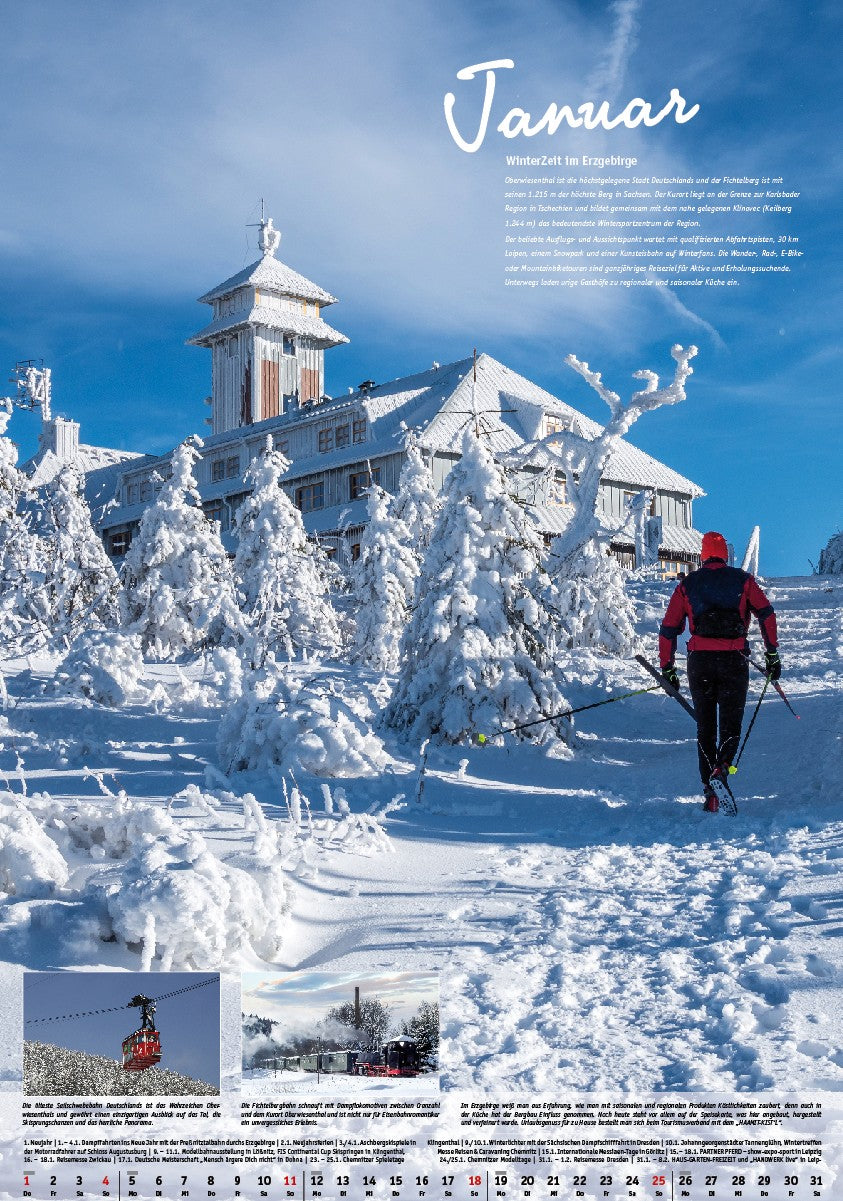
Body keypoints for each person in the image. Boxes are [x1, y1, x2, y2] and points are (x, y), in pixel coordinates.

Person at [659, 531, 781, 812]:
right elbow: (766, 614)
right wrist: (772, 653)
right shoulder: (743, 580)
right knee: (730, 724)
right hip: (733, 661)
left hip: (700, 662)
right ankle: (722, 769)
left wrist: (668, 668)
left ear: (703, 555)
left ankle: (709, 791)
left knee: (705, 727)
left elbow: (668, 629)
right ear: (725, 554)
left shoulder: (687, 585)